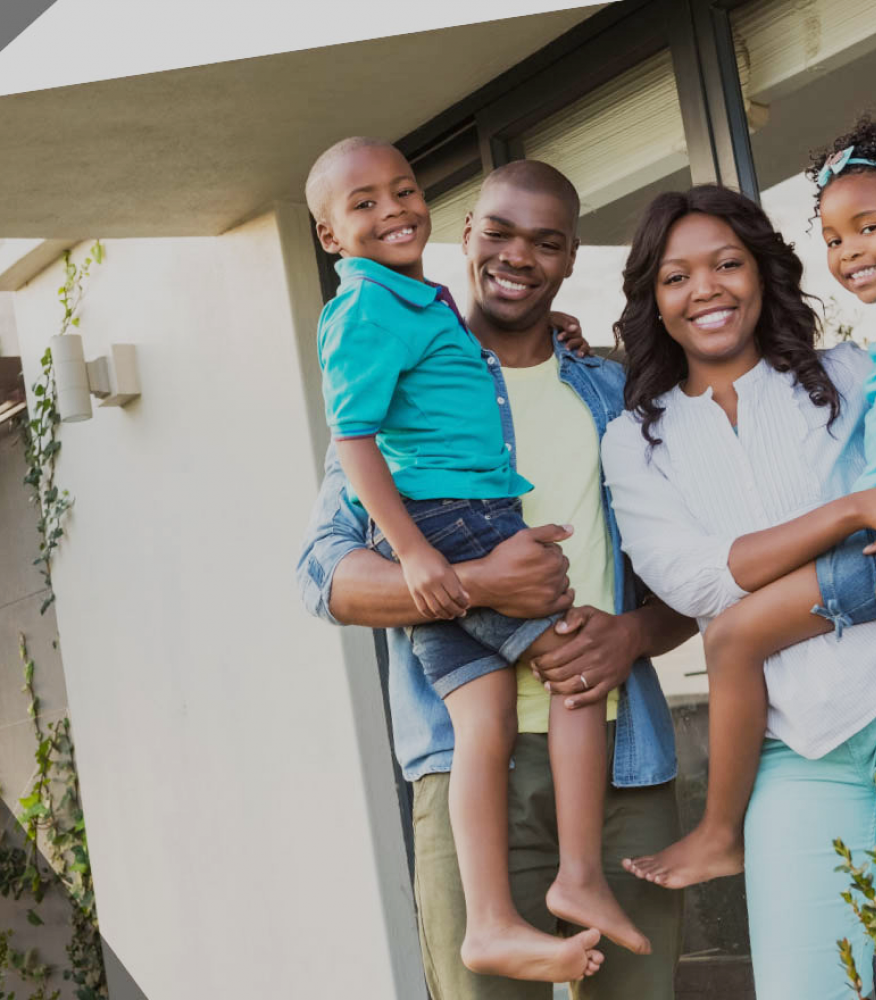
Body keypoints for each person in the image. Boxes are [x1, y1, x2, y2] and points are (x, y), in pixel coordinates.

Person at [598, 184, 876, 996]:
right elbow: (697, 579)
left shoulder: (852, 371)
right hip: (792, 747)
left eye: (728, 264)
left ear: (763, 274)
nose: (705, 289)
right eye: (677, 277)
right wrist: (860, 506)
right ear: (653, 301)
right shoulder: (636, 439)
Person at [296, 154, 693, 998]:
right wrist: (479, 583)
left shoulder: (614, 393)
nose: (518, 257)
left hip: (624, 769)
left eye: (545, 243)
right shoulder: (403, 390)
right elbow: (323, 578)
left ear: (570, 259)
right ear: (466, 235)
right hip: (469, 771)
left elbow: (694, 582)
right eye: (500, 233)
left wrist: (628, 636)